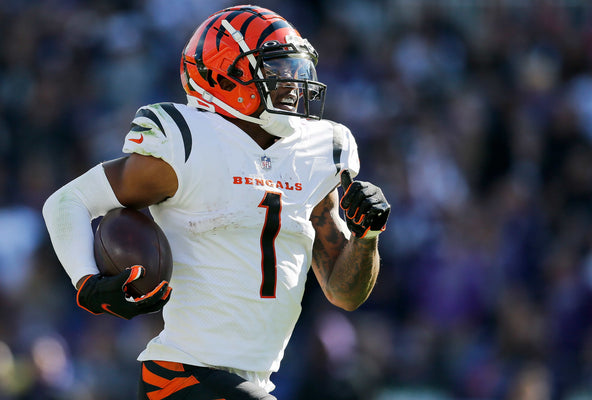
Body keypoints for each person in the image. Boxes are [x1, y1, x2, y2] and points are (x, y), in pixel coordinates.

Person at [42, 5, 390, 399]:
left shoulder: (319, 152)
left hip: (255, 379)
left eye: (296, 68)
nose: (293, 82)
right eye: (277, 69)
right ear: (224, 75)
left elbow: (345, 294)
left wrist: (367, 235)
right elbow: (68, 200)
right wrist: (86, 280)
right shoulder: (187, 143)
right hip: (180, 376)